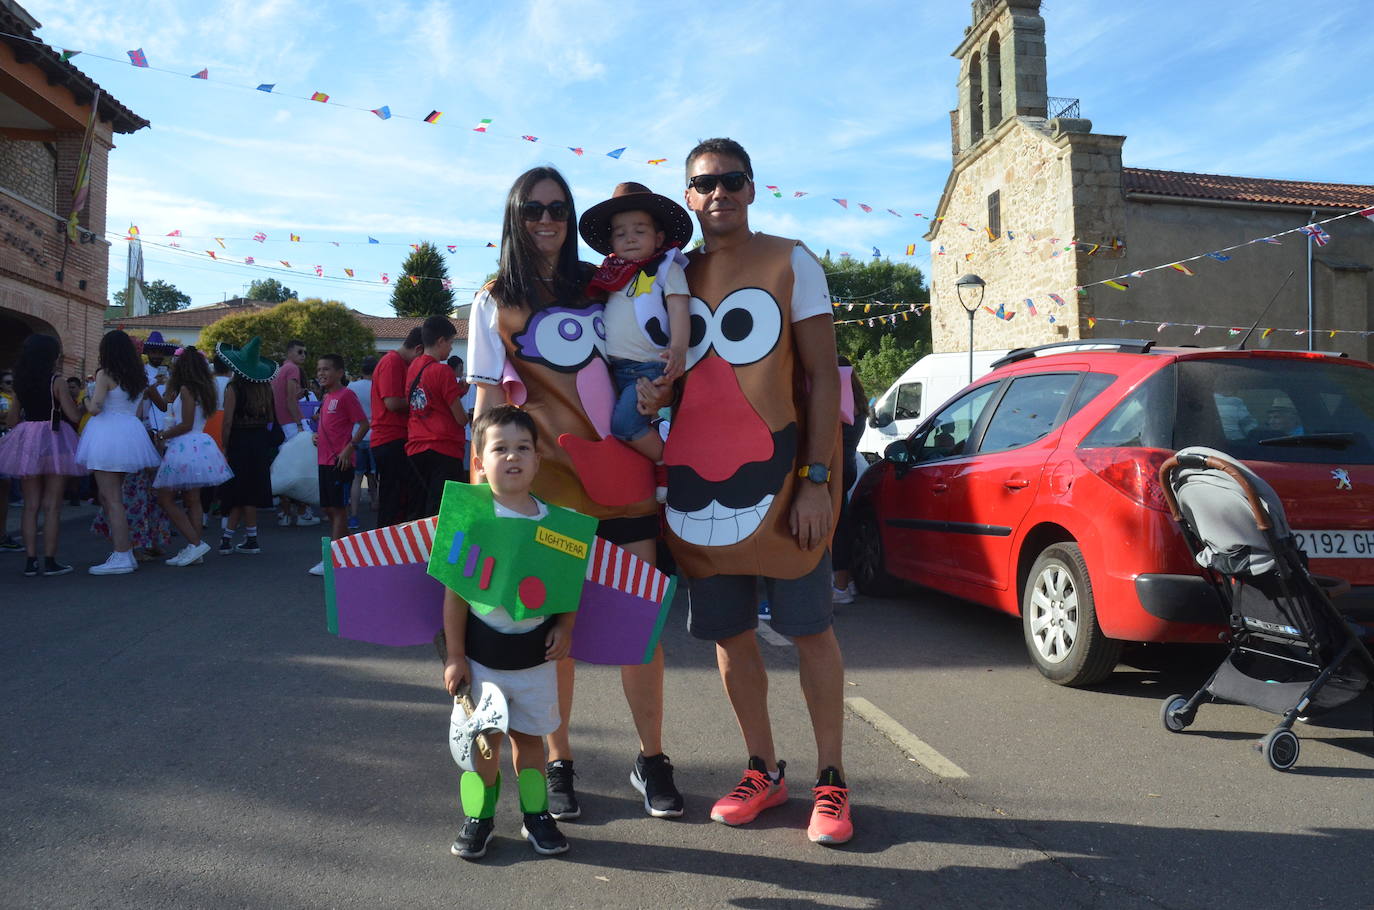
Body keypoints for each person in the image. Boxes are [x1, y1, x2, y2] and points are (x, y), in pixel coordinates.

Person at [467, 166, 682, 822]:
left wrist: (661, 392)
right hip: (547, 494)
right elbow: (482, 402)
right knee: (553, 633)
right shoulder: (494, 299)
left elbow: (653, 344)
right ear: (514, 216)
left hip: (625, 486)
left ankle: (651, 759)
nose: (547, 220)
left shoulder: (601, 283)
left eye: (558, 208)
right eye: (533, 209)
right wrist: (479, 505)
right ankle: (559, 762)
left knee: (638, 631)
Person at [665, 137, 851, 845]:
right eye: (705, 183)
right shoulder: (670, 272)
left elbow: (823, 377)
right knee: (729, 636)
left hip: (785, 488)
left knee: (811, 632)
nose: (720, 193)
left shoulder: (790, 260)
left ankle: (831, 782)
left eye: (732, 180)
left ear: (751, 187)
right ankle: (764, 771)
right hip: (696, 497)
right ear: (688, 196)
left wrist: (817, 480)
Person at [443, 405, 575, 860]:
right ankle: (479, 817)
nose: (513, 456)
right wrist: (455, 656)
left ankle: (536, 814)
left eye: (524, 448)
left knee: (530, 741)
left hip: (535, 659)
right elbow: (455, 596)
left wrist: (566, 627)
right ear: (479, 461)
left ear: (538, 460)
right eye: (500, 448)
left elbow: (567, 587)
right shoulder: (470, 520)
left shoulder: (557, 524)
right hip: (482, 658)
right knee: (485, 743)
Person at [577, 182, 693, 502]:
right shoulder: (612, 275)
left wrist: (680, 349)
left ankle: (667, 461)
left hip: (648, 368)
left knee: (625, 426)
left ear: (658, 238)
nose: (629, 237)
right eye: (620, 232)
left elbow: (679, 308)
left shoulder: (666, 270)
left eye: (639, 230)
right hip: (613, 371)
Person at [76, 330, 167, 575]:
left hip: (107, 434)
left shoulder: (105, 374)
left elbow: (94, 409)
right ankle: (123, 551)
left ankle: (123, 554)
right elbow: (137, 412)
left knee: (111, 498)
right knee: (113, 498)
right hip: (130, 432)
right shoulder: (139, 377)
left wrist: (85, 398)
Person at [0, 334, 84, 575]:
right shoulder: (57, 381)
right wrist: (85, 405)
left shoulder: (20, 382)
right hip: (55, 438)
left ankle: (30, 561)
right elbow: (74, 416)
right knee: (53, 505)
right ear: (52, 355)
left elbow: (13, 419)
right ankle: (49, 561)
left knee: (30, 505)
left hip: (28, 439)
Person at [152, 347, 234, 567]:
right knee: (193, 499)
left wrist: (162, 434)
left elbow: (186, 423)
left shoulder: (187, 389)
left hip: (184, 445)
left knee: (165, 498)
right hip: (200, 445)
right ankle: (194, 548)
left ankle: (195, 544)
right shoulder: (205, 390)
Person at [215, 338, 279, 555]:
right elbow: (271, 417)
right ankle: (248, 538)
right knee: (250, 491)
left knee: (237, 492)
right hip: (259, 441)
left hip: (239, 441)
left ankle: (229, 538)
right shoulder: (265, 388)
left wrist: (224, 446)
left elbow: (227, 422)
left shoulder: (234, 388)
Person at [308, 353, 368, 576]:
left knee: (337, 509)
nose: (321, 373)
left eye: (326, 369)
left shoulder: (346, 395)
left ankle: (332, 560)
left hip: (340, 462)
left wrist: (349, 448)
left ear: (339, 373)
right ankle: (346, 549)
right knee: (327, 508)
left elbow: (363, 424)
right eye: (319, 369)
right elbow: (328, 427)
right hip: (323, 459)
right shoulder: (326, 398)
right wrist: (317, 438)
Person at [405, 316, 468, 518]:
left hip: (416, 447)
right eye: (450, 343)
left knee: (418, 511)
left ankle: (418, 550)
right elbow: (460, 418)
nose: (451, 349)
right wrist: (470, 416)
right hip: (444, 449)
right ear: (441, 341)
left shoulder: (413, 367)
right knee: (442, 514)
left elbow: (430, 397)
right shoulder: (443, 370)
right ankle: (439, 551)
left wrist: (459, 391)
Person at [370, 328, 425, 527]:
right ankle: (386, 549)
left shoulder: (397, 362)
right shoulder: (392, 362)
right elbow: (392, 403)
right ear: (419, 349)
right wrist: (424, 403)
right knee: (393, 500)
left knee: (400, 497)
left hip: (396, 438)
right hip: (390, 438)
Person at [271, 339, 320, 527]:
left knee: (288, 468)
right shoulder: (292, 369)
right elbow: (291, 399)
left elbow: (287, 398)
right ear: (290, 352)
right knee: (303, 468)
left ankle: (285, 512)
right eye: (300, 352)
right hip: (293, 423)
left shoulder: (282, 369)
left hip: (285, 423)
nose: (303, 356)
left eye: (304, 352)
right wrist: (300, 424)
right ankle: (302, 512)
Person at [831, 360, 868, 604]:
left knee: (835, 530)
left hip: (834, 470)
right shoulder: (859, 405)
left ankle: (840, 587)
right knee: (841, 524)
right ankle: (847, 583)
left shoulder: (840, 405)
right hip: (848, 468)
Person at [346, 355, 378, 530]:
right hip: (375, 434)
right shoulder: (378, 386)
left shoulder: (351, 387)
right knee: (374, 476)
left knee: (357, 478)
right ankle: (375, 503)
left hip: (356, 434)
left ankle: (354, 516)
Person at [0, 368, 21, 553]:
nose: (11, 385)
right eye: (8, 382)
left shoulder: (14, 398)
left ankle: (2, 536)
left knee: (5, 484)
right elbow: (9, 419)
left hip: (5, 444)